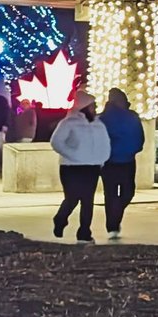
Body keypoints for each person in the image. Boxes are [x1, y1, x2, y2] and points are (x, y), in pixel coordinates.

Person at [50, 94, 112, 241]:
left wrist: (102, 159)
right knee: (72, 198)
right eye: (93, 105)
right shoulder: (69, 123)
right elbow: (57, 142)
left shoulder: (99, 125)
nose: (95, 109)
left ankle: (84, 231)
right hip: (71, 167)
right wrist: (73, 154)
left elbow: (105, 143)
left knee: (87, 200)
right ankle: (60, 219)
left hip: (91, 167)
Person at [97, 88, 146, 240]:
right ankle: (114, 220)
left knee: (112, 194)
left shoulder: (102, 119)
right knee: (125, 192)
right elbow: (139, 137)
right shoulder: (129, 117)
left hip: (111, 161)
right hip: (123, 160)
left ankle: (113, 221)